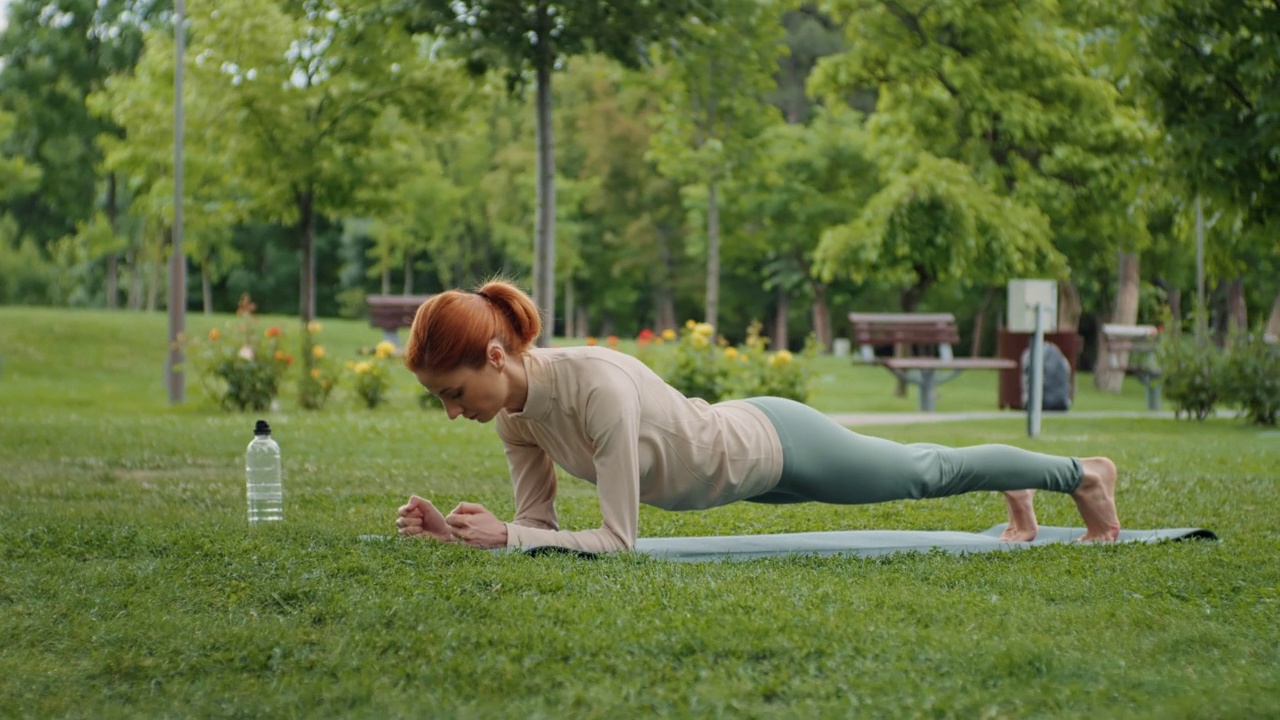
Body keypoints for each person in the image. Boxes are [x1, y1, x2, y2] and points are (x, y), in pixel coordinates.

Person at [395, 280, 1121, 553]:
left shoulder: (597, 389)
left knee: (923, 473)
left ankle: (1081, 474)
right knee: (920, 469)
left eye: (453, 393)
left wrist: (512, 540)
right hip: (735, 471)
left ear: (494, 355)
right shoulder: (515, 416)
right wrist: (462, 535)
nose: (456, 414)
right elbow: (540, 530)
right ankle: (1018, 492)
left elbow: (617, 542)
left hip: (773, 446)